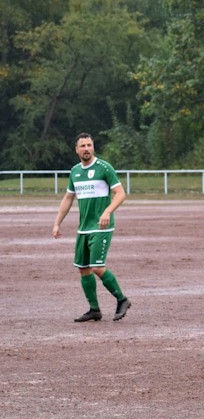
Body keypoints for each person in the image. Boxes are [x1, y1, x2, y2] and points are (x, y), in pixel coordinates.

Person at [52, 133, 131, 322]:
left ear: (93, 147)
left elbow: (120, 194)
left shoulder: (104, 167)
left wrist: (107, 211)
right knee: (84, 268)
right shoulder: (75, 171)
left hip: (101, 226)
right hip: (84, 228)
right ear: (77, 150)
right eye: (83, 146)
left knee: (97, 266)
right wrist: (57, 223)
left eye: (89, 145)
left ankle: (122, 299)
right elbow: (68, 198)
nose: (86, 148)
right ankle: (94, 309)